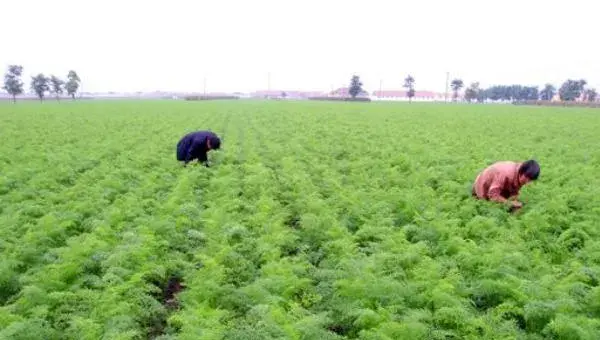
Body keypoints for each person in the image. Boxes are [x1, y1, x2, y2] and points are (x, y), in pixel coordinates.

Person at [472, 159, 540, 211]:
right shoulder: (505, 174)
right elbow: (493, 194)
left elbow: (514, 188)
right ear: (522, 172)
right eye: (527, 178)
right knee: (487, 208)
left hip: (495, 186)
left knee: (515, 206)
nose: (527, 182)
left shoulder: (521, 173)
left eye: (530, 180)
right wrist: (509, 203)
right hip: (482, 186)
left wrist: (514, 200)